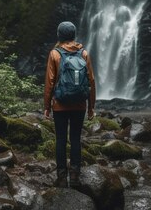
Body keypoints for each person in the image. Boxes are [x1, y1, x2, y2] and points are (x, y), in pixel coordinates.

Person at [44, 21, 96, 188]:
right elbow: (91, 81)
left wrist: (46, 106)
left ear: (59, 35)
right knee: (75, 139)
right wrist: (91, 107)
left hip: (59, 105)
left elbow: (50, 83)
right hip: (79, 104)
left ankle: (61, 177)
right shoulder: (84, 53)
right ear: (74, 35)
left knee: (60, 140)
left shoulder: (55, 54)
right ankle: (75, 175)